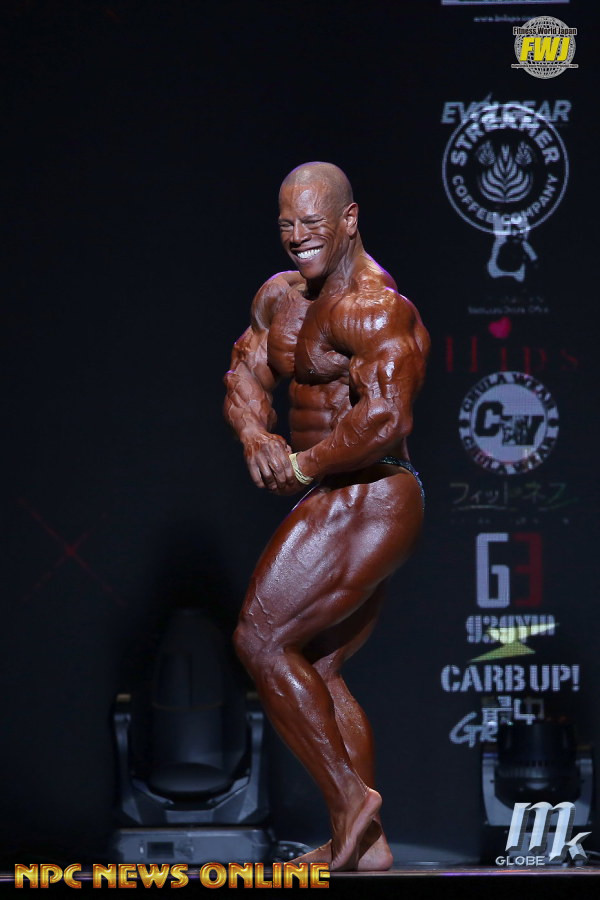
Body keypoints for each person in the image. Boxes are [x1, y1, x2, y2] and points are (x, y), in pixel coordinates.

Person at [223, 162, 430, 871]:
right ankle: (365, 846)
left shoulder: (376, 307)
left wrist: (305, 464)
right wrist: (257, 436)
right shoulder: (278, 298)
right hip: (335, 494)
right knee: (316, 664)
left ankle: (349, 803)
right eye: (287, 224)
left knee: (260, 638)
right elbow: (245, 374)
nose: (297, 237)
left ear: (349, 219)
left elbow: (387, 417)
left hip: (374, 491)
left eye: (312, 223)